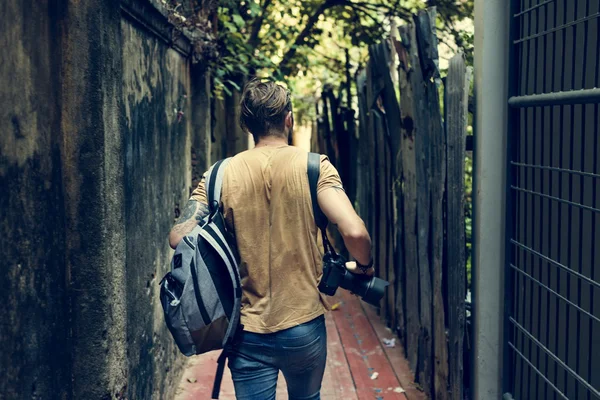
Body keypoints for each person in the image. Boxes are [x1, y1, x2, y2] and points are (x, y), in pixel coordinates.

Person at [168, 79, 373, 400]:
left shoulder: (220, 175)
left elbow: (178, 237)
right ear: (288, 119)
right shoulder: (315, 169)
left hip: (245, 330)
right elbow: (355, 232)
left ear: (246, 125)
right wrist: (364, 268)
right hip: (303, 324)